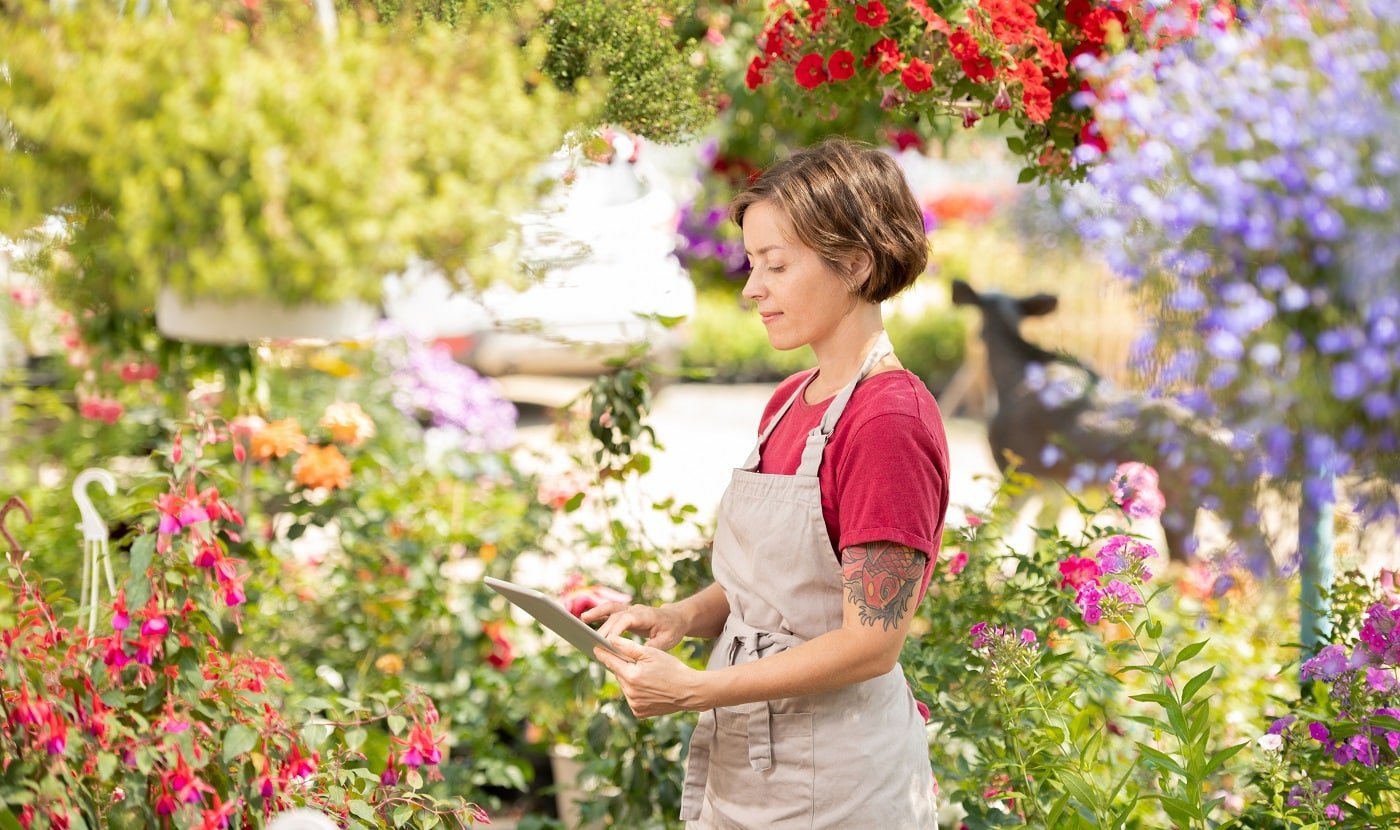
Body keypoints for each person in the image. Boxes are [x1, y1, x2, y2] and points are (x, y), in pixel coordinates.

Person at [585, 138, 949, 828]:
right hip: (754, 767)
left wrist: (699, 691)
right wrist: (681, 618)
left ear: (856, 264)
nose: (753, 289)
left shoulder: (887, 421)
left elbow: (872, 641)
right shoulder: (789, 400)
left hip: (837, 785)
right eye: (753, 264)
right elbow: (779, 579)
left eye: (776, 265)